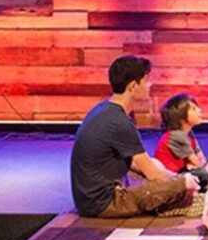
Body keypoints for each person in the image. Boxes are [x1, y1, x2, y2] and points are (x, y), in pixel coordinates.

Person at [70, 56, 199, 218]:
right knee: (184, 183)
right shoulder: (120, 121)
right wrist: (180, 181)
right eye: (146, 81)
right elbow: (153, 174)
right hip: (105, 203)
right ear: (133, 86)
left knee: (155, 165)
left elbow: (134, 163)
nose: (150, 85)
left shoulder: (102, 109)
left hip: (86, 200)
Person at [154, 92, 208, 191]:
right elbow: (198, 164)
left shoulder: (188, 133)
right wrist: (197, 167)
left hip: (183, 171)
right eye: (193, 109)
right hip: (171, 178)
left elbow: (201, 158)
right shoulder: (177, 136)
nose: (199, 110)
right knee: (203, 174)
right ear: (181, 117)